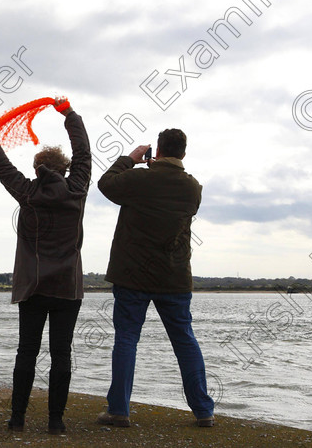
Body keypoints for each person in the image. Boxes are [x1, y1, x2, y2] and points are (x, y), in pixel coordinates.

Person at [0, 96, 91, 435]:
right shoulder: (77, 190)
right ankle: (56, 422)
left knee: (26, 353)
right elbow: (85, 154)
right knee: (62, 354)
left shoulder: (26, 192)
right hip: (66, 289)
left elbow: (0, 164)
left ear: (36, 169)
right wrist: (68, 114)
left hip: (32, 289)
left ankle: (17, 419)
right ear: (65, 169)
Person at [96, 129, 215, 428]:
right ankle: (203, 411)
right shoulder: (193, 188)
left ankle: (119, 410)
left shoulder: (138, 179)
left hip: (132, 276)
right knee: (185, 341)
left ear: (157, 151)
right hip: (174, 277)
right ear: (184, 154)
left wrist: (131, 160)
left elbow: (105, 184)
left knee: (127, 339)